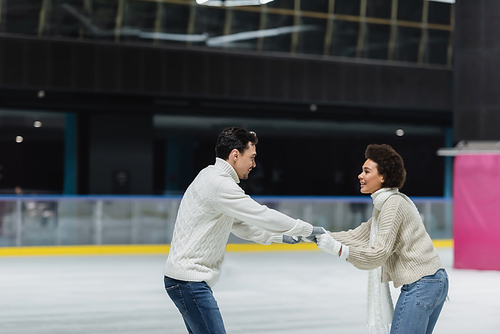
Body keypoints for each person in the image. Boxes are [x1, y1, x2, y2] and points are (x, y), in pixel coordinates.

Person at [164, 127, 324, 334]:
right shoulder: (219, 184)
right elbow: (261, 214)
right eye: (252, 157)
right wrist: (306, 228)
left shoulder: (210, 176)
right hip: (189, 282)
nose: (254, 164)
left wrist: (280, 237)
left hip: (185, 280)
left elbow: (241, 226)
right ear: (235, 155)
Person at [316, 144, 448, 334]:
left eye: (366, 171)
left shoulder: (392, 205)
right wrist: (316, 234)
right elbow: (358, 235)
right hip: (432, 280)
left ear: (383, 177)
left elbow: (378, 254)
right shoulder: (387, 203)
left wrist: (337, 249)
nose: (360, 175)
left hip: (423, 283)